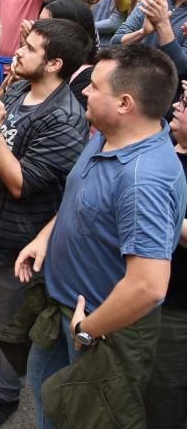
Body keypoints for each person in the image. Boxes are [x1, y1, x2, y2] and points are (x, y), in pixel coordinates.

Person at [17, 45, 185, 428]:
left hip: (101, 331)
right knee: (49, 396)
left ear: (125, 103)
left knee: (84, 417)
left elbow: (149, 286)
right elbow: (80, 199)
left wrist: (87, 330)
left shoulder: (145, 179)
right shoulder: (110, 134)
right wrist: (47, 236)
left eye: (94, 86)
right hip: (64, 308)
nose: (85, 92)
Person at [0, 19, 91, 429]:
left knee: (15, 320)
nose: (17, 51)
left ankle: (6, 393)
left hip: (20, 237)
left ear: (53, 63)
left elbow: (20, 183)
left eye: (30, 48)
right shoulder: (17, 89)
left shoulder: (65, 122)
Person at [144, 85, 187, 427]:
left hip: (175, 306)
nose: (175, 105)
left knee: (163, 391)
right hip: (139, 293)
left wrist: (155, 209)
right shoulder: (164, 144)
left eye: (185, 103)